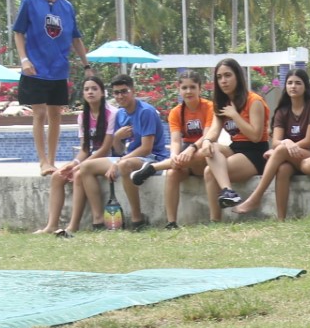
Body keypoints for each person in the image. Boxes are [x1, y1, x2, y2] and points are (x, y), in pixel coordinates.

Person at [12, 0, 89, 176]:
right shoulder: (29, 2)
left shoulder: (67, 7)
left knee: (56, 114)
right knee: (39, 113)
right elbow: (18, 32)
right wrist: (24, 59)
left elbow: (76, 38)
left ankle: (52, 160)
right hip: (35, 68)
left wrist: (87, 65)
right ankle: (42, 160)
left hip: (58, 69)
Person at [233, 68, 310, 219]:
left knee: (280, 151)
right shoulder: (282, 111)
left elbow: (309, 141)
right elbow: (276, 142)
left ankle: (256, 197)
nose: (293, 86)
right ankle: (281, 219)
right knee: (283, 168)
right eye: (290, 83)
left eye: (298, 83)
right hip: (293, 157)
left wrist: (286, 146)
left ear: (305, 87)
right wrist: (286, 142)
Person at [75, 74, 168, 232]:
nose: (120, 96)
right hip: (130, 156)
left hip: (153, 159)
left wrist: (118, 163)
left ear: (133, 90)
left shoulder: (146, 112)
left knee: (124, 165)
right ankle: (98, 220)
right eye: (116, 93)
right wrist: (117, 138)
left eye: (124, 91)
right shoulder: (121, 114)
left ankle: (137, 219)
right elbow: (118, 150)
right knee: (85, 167)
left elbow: (146, 148)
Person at [134, 71, 214, 230]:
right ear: (179, 89)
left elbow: (207, 136)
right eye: (184, 87)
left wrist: (190, 150)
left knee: (201, 153)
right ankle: (171, 222)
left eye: (192, 87)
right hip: (186, 155)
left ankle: (154, 167)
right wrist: (174, 156)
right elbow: (176, 140)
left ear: (200, 89)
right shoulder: (176, 112)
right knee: (171, 173)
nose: (188, 91)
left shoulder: (209, 107)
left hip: (204, 153)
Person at [36, 75, 114, 237]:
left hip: (107, 158)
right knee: (58, 175)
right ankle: (51, 225)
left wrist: (79, 167)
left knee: (79, 174)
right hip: (89, 159)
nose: (90, 92)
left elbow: (106, 148)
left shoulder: (111, 113)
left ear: (102, 93)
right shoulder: (82, 116)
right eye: (86, 89)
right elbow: (85, 149)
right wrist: (74, 163)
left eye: (94, 89)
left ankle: (73, 225)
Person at [204, 57, 270, 217]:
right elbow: (214, 131)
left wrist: (234, 115)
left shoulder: (254, 101)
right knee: (211, 148)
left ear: (238, 76)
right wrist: (206, 141)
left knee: (209, 172)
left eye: (228, 75)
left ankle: (224, 200)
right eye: (219, 77)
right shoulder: (222, 102)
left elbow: (255, 136)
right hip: (235, 148)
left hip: (255, 152)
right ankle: (226, 196)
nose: (223, 81)